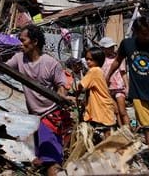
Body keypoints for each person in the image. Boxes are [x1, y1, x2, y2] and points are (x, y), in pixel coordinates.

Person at [106, 16, 149, 172]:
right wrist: (108, 76)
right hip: (138, 93)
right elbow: (118, 60)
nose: (147, 37)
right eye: (144, 33)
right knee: (148, 129)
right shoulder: (127, 44)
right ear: (136, 32)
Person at [6, 24, 70, 176]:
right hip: (35, 118)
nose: (20, 44)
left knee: (51, 162)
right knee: (45, 159)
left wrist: (61, 94)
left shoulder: (50, 63)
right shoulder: (19, 58)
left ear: (34, 42)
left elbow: (62, 85)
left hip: (50, 116)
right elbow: (1, 68)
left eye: (23, 40)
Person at [76, 47, 116, 141]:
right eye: (87, 59)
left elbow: (81, 85)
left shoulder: (94, 71)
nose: (88, 61)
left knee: (106, 133)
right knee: (106, 131)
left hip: (101, 106)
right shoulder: (98, 70)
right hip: (104, 105)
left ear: (98, 60)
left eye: (91, 59)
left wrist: (74, 88)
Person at [99, 37, 130, 127]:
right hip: (107, 88)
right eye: (109, 47)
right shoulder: (100, 60)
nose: (111, 49)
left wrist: (127, 86)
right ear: (103, 48)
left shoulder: (118, 57)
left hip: (119, 87)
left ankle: (128, 130)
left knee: (122, 111)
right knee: (115, 111)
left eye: (112, 47)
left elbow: (123, 72)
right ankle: (121, 129)